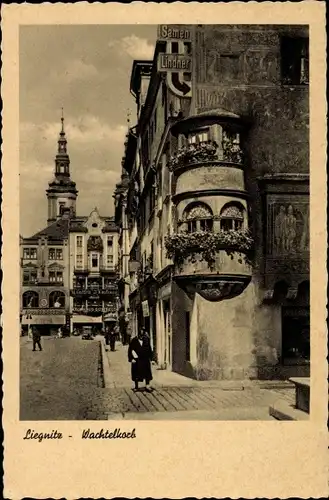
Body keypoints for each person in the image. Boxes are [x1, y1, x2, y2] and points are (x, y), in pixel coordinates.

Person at [128, 328, 153, 392]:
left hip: (145, 359)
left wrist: (151, 358)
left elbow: (149, 349)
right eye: (140, 335)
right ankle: (136, 386)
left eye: (143, 335)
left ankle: (147, 385)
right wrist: (131, 359)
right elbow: (130, 350)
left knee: (147, 373)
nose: (141, 337)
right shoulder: (134, 340)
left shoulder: (146, 340)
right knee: (136, 373)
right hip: (137, 360)